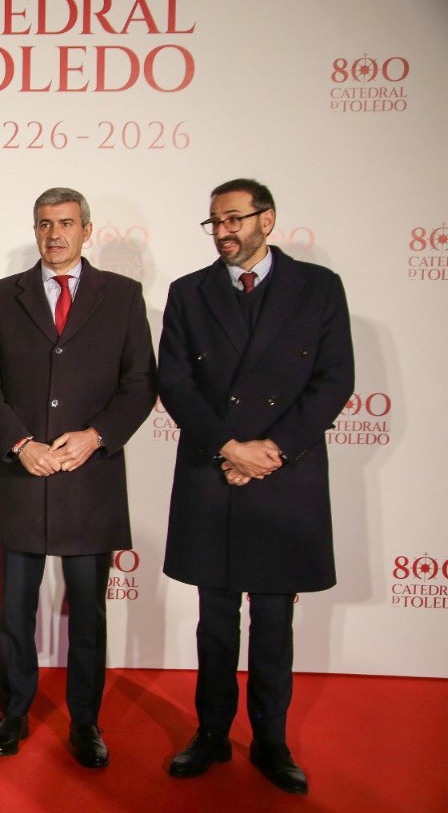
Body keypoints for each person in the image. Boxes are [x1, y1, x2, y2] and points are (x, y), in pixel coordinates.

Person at [160, 178, 353, 795]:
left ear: (267, 220)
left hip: (282, 474)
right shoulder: (188, 293)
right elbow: (175, 384)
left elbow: (333, 379)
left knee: (273, 622)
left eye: (235, 219)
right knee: (214, 619)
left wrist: (270, 451)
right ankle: (211, 733)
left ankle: (272, 741)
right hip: (213, 471)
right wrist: (228, 447)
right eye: (214, 222)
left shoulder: (319, 288)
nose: (223, 232)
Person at [0, 187, 157, 768]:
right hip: (22, 475)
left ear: (87, 230)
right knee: (14, 612)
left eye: (66, 224)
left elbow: (140, 385)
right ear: (35, 229)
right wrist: (20, 443)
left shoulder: (124, 297)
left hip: (90, 477)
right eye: (45, 224)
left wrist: (97, 435)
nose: (55, 234)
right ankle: (13, 714)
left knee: (89, 611)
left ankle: (86, 723)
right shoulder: (2, 298)